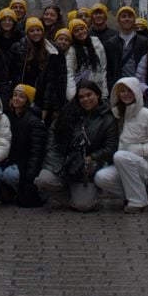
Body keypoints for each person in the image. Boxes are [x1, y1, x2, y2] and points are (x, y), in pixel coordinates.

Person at [35, 80, 118, 212]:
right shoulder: (69, 112)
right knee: (43, 180)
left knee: (84, 206)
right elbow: (53, 132)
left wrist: (92, 157)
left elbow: (110, 148)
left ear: (98, 95)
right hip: (63, 162)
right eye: (81, 97)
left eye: (89, 95)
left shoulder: (109, 120)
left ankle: (80, 197)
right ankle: (75, 196)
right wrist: (55, 154)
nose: (85, 99)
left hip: (87, 168)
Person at [94, 77, 148, 213]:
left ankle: (138, 202)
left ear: (136, 91)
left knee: (120, 156)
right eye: (122, 91)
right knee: (101, 177)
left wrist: (139, 150)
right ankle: (136, 194)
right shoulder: (117, 115)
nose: (126, 94)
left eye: (130, 90)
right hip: (123, 165)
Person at [0, 83, 48, 207]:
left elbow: (36, 153)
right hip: (17, 162)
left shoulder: (33, 121)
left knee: (9, 175)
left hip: (28, 166)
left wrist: (30, 177)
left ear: (28, 100)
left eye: (21, 96)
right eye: (15, 95)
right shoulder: (12, 117)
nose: (16, 98)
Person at [8, 17, 65, 118]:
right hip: (23, 96)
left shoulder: (53, 51)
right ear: (27, 33)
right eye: (32, 30)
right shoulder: (17, 48)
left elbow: (54, 80)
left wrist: (51, 106)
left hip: (42, 97)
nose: (35, 33)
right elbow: (12, 74)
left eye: (38, 30)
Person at [106, 6, 148, 92]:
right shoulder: (111, 43)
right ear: (119, 20)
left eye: (130, 16)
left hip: (139, 87)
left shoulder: (144, 42)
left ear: (134, 19)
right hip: (119, 88)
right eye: (124, 16)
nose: (127, 19)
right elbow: (108, 68)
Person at [65, 19, 107, 102]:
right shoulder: (71, 50)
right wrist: (72, 96)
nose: (80, 32)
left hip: (97, 87)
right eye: (76, 31)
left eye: (82, 28)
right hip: (81, 91)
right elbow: (70, 73)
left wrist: (105, 93)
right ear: (73, 34)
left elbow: (103, 68)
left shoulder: (96, 42)